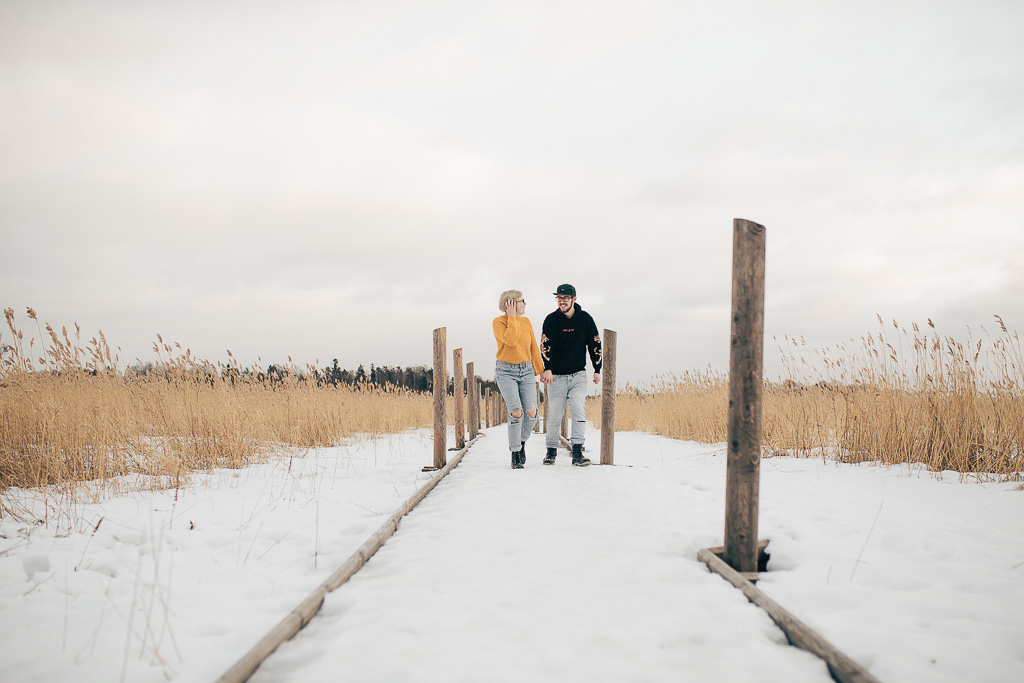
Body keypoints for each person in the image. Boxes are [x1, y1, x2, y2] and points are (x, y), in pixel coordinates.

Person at [539, 283, 602, 466]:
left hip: (578, 375)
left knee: (578, 409)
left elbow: (595, 344)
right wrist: (547, 367)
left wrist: (597, 369)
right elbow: (545, 345)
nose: (562, 301)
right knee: (555, 415)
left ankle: (577, 452)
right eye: (559, 298)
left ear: (574, 299)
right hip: (556, 376)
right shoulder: (551, 320)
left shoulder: (585, 319)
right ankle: (551, 452)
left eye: (565, 298)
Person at [492, 289, 544, 469]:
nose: (525, 304)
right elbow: (511, 340)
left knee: (531, 412)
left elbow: (533, 348)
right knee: (516, 412)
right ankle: (515, 453)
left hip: (527, 370)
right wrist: (512, 317)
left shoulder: (527, 322)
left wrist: (541, 370)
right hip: (506, 372)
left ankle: (521, 441)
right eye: (522, 301)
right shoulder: (498, 322)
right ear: (511, 304)